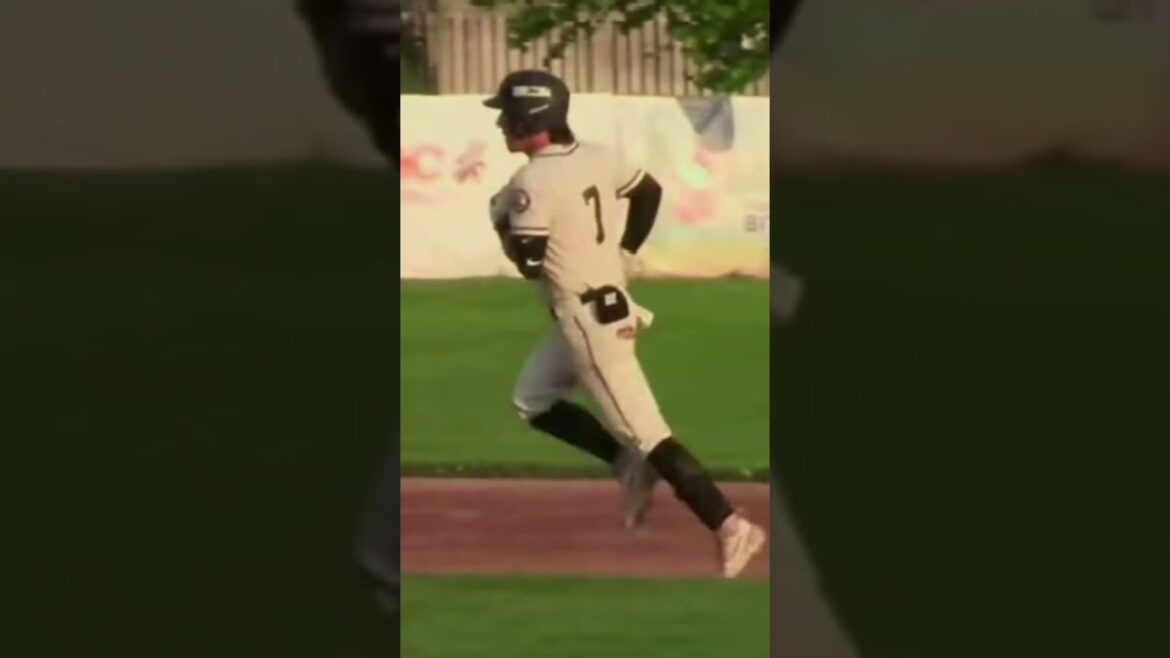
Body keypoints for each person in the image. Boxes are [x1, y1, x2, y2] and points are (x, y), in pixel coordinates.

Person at [486, 69, 766, 578]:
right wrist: (625, 250)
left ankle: (729, 524)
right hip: (606, 304)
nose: (502, 124)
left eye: (508, 115)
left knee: (649, 433)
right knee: (533, 398)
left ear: (530, 119)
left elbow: (529, 263)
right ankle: (627, 467)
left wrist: (502, 223)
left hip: (587, 322)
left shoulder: (532, 182)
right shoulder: (596, 155)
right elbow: (648, 192)